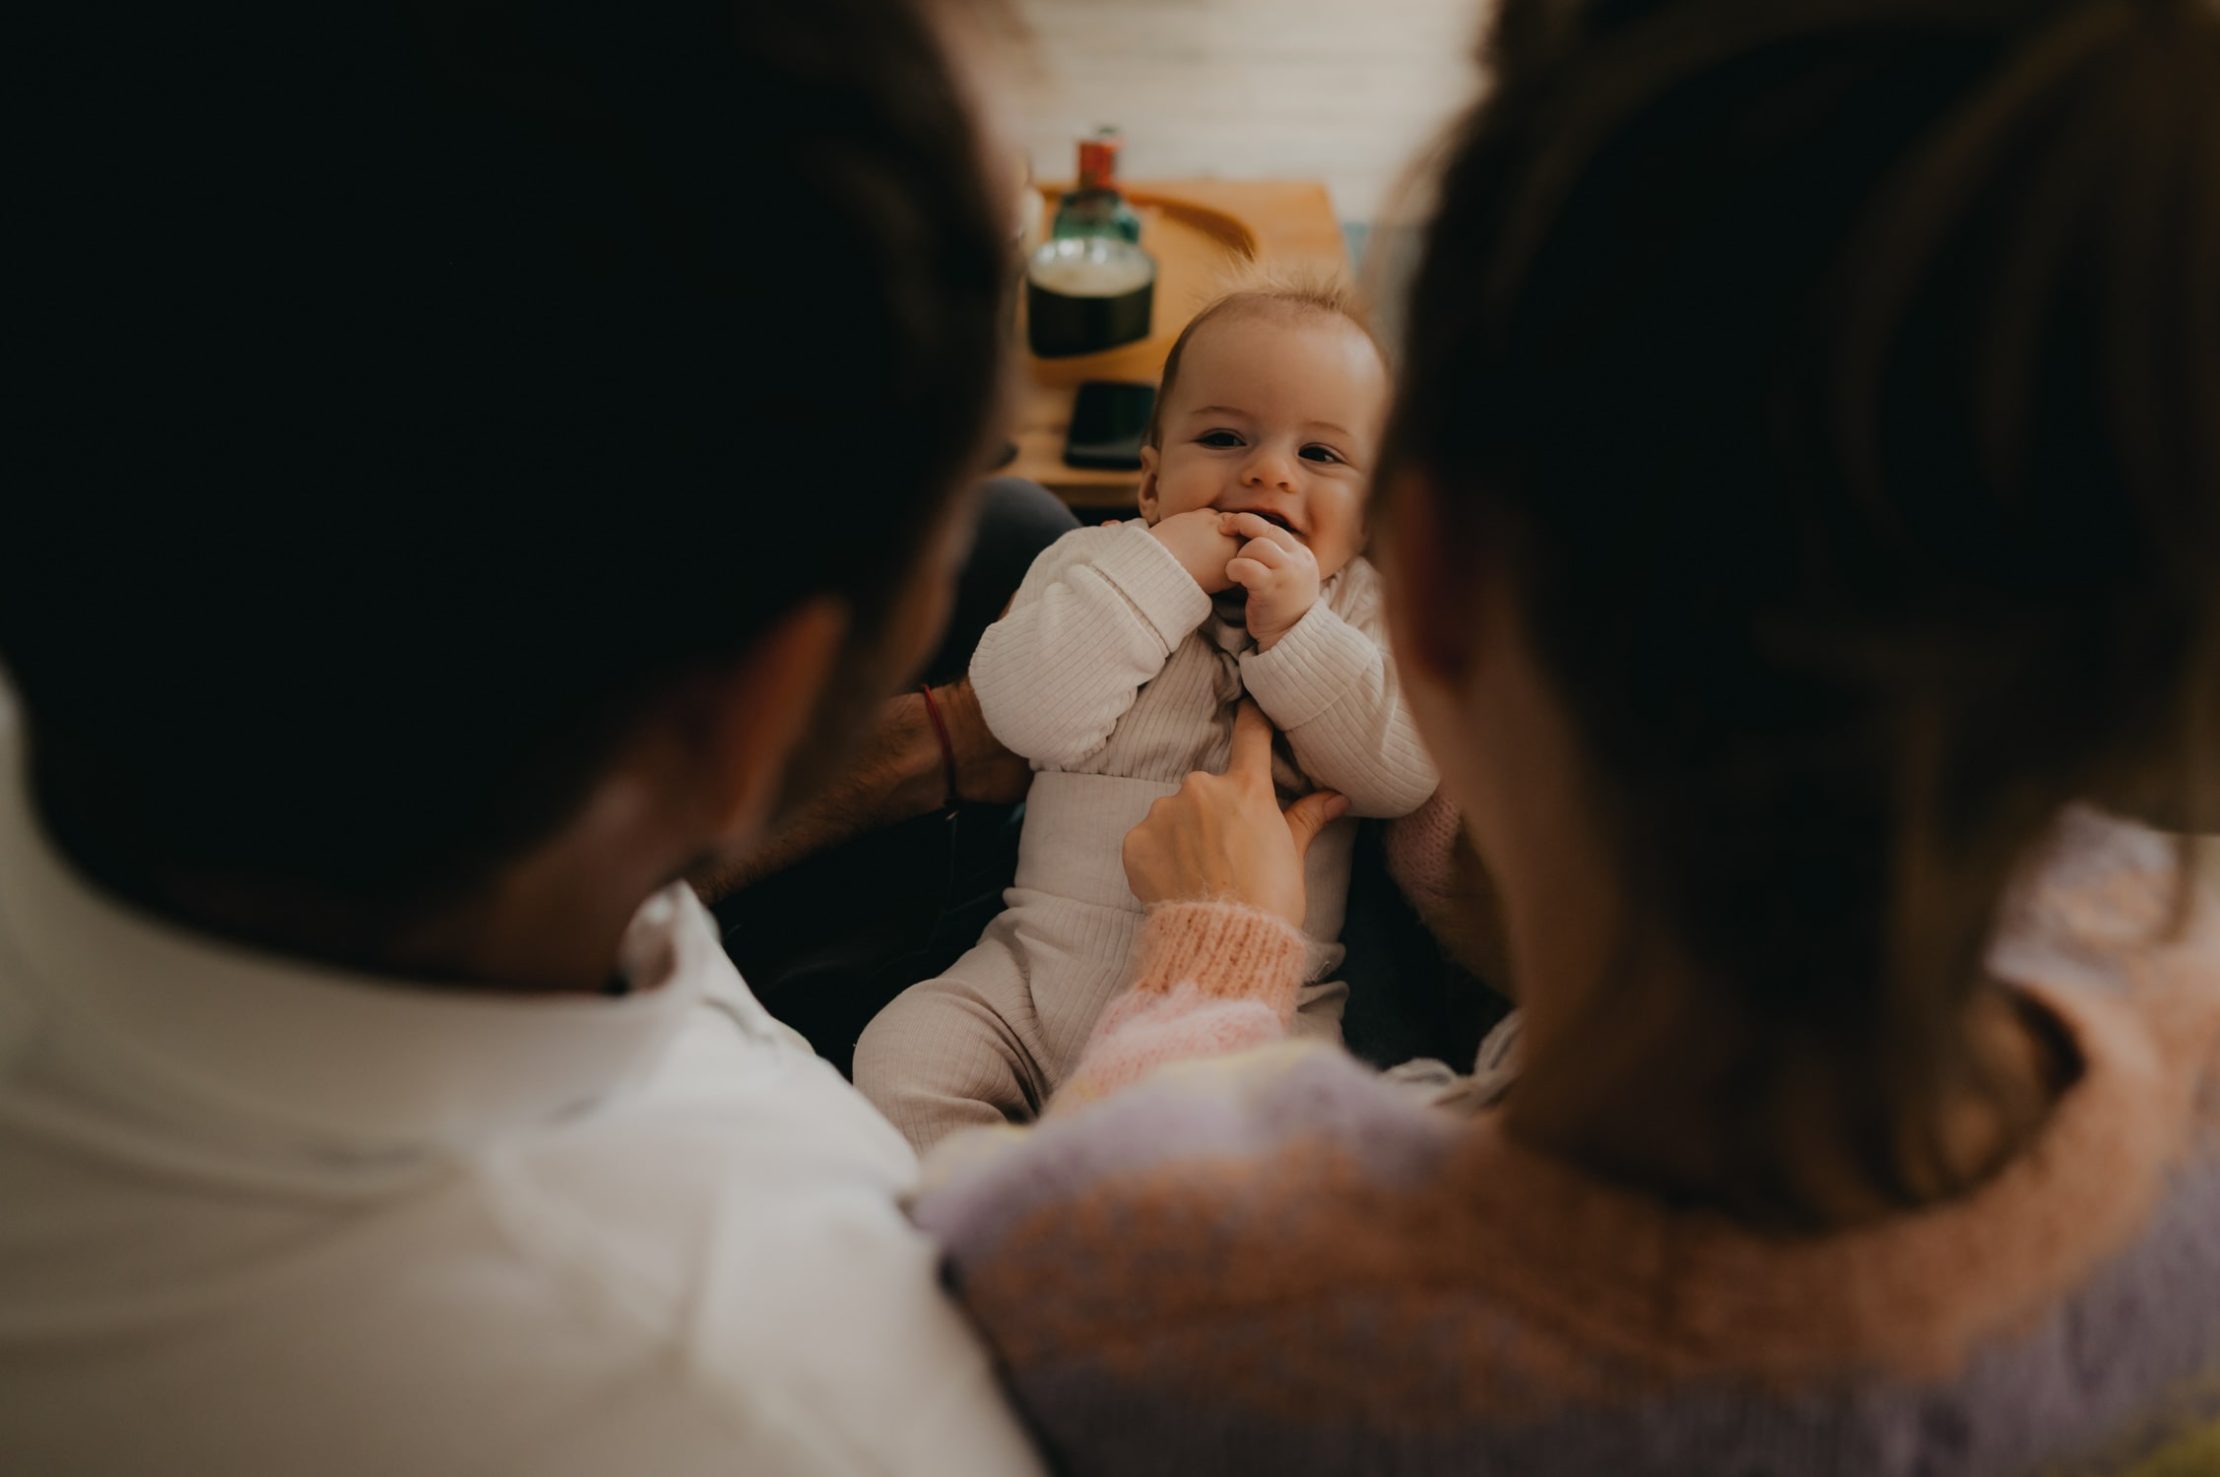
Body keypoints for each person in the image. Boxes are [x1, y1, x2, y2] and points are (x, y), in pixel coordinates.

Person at [914, 0, 2220, 1472]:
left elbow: (1090, 1234)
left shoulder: (1146, 1287)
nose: (1266, 479)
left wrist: (1209, 971)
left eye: (1323, 456)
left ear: (1426, 575)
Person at [0, 2, 1046, 1472]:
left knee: (1020, 534)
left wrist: (919, 747)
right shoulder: (802, 1411)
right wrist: (1214, 982)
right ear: (742, 717)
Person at [855, 281, 1437, 1151]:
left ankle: (1053, 1185)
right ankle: (983, 1190)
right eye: (1225, 438)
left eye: (1320, 454)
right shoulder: (1095, 562)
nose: (1269, 472)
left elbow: (1399, 774)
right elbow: (1024, 714)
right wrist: (1163, 568)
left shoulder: (1361, 610)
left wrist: (1299, 632)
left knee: (1277, 1149)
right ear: (1153, 481)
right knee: (900, 1055)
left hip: (1259, 998)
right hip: (1030, 971)